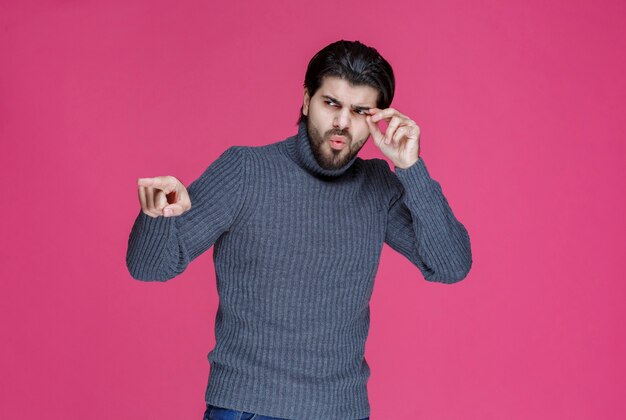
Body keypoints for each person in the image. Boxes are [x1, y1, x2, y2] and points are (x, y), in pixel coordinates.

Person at [126, 40, 472, 420]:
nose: (342, 122)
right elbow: (149, 267)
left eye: (359, 111)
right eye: (331, 104)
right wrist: (157, 214)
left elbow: (451, 265)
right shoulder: (245, 171)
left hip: (343, 411)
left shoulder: (377, 186)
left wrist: (412, 169)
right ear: (307, 101)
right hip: (248, 408)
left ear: (378, 120)